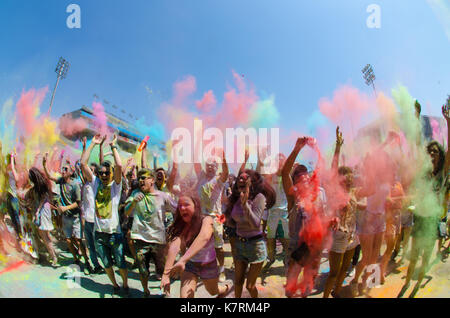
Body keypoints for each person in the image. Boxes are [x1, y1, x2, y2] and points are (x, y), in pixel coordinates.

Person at [398, 100, 450, 298]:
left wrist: (449, 122)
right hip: (419, 219)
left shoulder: (442, 175)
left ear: (440, 156)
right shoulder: (423, 172)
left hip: (432, 221)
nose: (431, 155)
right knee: (414, 259)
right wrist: (417, 119)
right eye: (430, 152)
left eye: (435, 152)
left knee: (426, 258)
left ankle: (416, 287)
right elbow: (418, 144)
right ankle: (404, 292)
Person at [81, 134, 129, 297]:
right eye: (100, 173)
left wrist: (114, 146)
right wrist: (92, 144)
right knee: (107, 263)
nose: (103, 175)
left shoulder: (115, 186)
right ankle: (115, 285)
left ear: (110, 173)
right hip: (99, 234)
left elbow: (120, 166)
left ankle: (125, 284)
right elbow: (83, 163)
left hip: (114, 233)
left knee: (121, 263)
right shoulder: (95, 184)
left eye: (106, 173)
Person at [282, 137, 328, 298]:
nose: (304, 178)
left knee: (308, 284)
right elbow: (284, 173)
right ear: (294, 182)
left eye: (306, 175)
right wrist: (297, 149)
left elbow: (323, 217)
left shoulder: (319, 194)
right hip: (296, 247)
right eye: (299, 176)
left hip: (315, 245)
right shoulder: (293, 197)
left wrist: (332, 222)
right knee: (290, 289)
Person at [161, 195, 231, 298]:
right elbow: (175, 245)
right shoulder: (182, 224)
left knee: (213, 291)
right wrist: (166, 274)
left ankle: (225, 288)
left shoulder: (207, 220)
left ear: (196, 206)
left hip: (208, 265)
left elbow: (204, 237)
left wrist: (182, 260)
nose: (182, 208)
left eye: (186, 204)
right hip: (190, 265)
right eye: (180, 206)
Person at [323, 127, 364, 298]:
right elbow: (333, 168)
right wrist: (338, 147)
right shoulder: (334, 191)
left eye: (350, 174)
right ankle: (325, 296)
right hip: (338, 235)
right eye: (345, 174)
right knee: (333, 272)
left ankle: (337, 292)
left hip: (352, 236)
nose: (349, 177)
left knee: (345, 268)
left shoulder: (354, 192)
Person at [124, 168, 177, 297]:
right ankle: (145, 291)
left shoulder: (162, 196)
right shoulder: (135, 194)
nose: (141, 180)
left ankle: (166, 293)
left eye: (144, 178)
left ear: (152, 180)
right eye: (139, 178)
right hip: (140, 239)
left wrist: (173, 228)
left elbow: (177, 210)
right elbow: (126, 212)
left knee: (164, 270)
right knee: (143, 270)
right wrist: (134, 201)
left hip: (158, 241)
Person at [224, 169, 275, 298]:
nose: (240, 180)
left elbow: (255, 223)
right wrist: (224, 220)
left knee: (250, 286)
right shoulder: (235, 199)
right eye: (239, 178)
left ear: (252, 182)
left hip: (256, 246)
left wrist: (245, 204)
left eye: (244, 178)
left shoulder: (259, 198)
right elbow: (233, 221)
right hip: (239, 244)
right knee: (238, 282)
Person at [43, 152, 91, 272]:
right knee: (69, 240)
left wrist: (65, 208)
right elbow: (50, 176)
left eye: (66, 169)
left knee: (79, 241)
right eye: (63, 169)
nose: (63, 170)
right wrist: (44, 164)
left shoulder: (75, 185)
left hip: (75, 217)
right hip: (66, 217)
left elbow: (78, 203)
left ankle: (87, 262)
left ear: (71, 172)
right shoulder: (61, 181)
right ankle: (76, 259)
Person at [194, 150, 229, 282]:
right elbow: (196, 162)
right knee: (200, 244)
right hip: (202, 217)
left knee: (218, 246)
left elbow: (225, 172)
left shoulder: (219, 180)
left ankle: (221, 269)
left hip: (216, 218)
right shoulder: (201, 176)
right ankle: (201, 268)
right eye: (208, 164)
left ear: (216, 167)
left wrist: (224, 159)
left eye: (213, 165)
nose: (210, 166)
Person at [21, 168, 58, 266]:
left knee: (44, 236)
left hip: (43, 212)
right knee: (44, 235)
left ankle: (53, 256)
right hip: (42, 211)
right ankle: (52, 254)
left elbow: (43, 199)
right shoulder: (39, 185)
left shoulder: (41, 186)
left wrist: (37, 211)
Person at [79, 137, 103, 274]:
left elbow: (83, 164)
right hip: (87, 220)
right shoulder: (87, 183)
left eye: (91, 169)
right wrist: (85, 147)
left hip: (96, 221)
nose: (88, 171)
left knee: (98, 246)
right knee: (91, 246)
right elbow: (82, 164)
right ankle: (96, 266)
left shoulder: (95, 182)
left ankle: (107, 265)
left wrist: (95, 144)